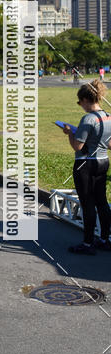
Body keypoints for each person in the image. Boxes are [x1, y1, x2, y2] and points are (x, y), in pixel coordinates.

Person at [62, 79, 111, 255]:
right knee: (102, 201)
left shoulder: (88, 119)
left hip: (85, 164)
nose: (80, 105)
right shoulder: (108, 116)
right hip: (103, 161)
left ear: (85, 99)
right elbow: (109, 144)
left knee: (88, 203)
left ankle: (88, 243)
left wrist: (69, 133)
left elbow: (78, 146)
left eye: (80, 102)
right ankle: (104, 239)